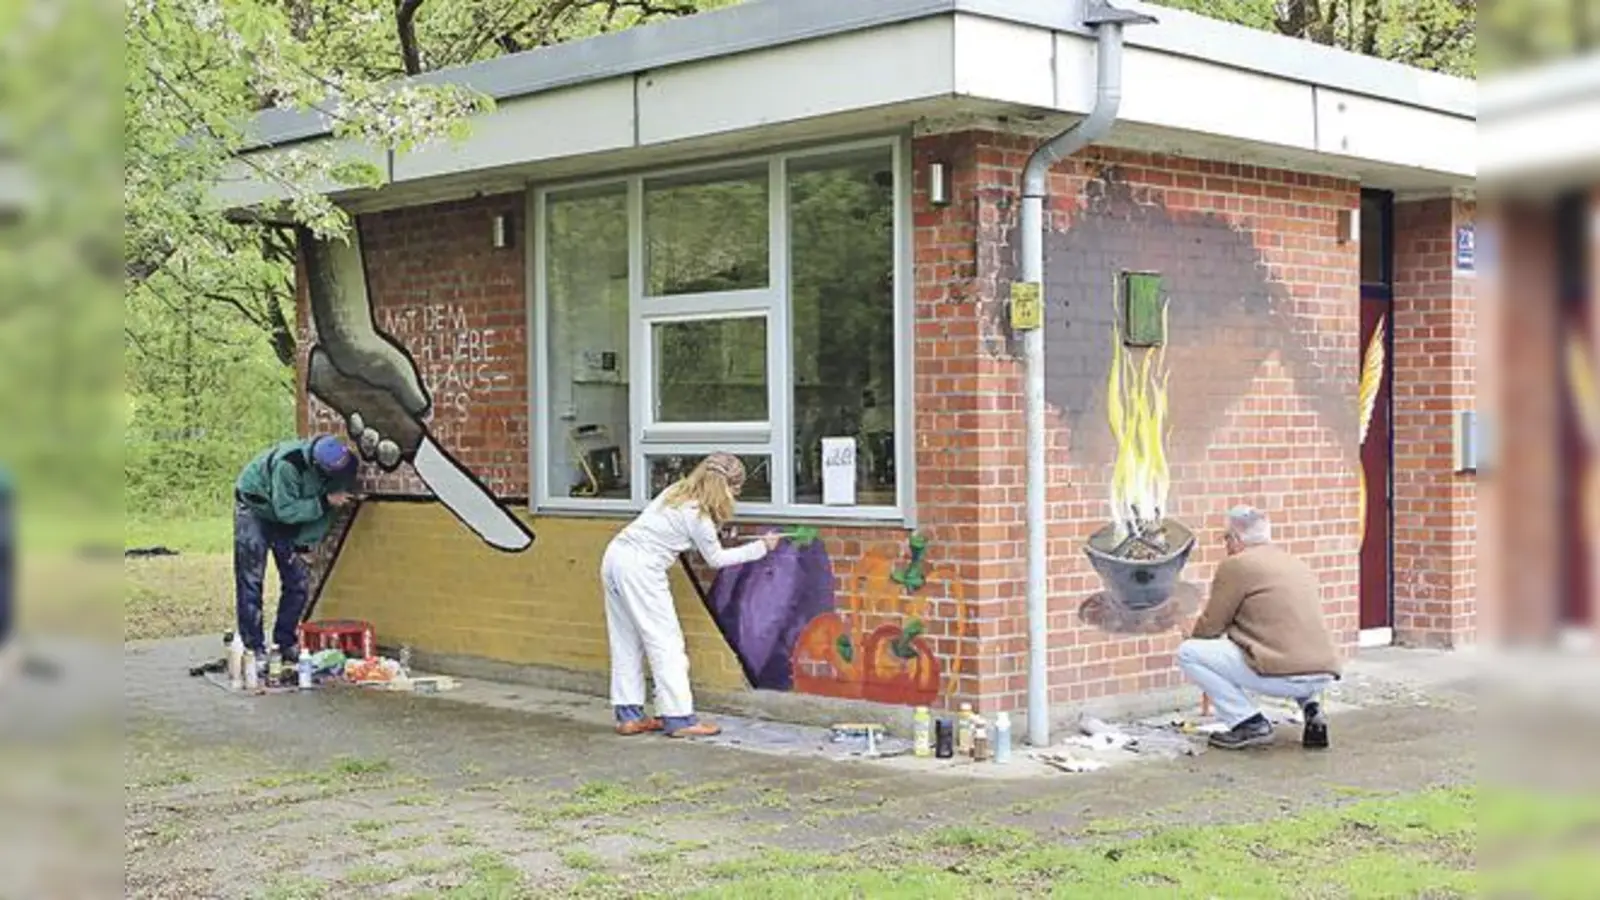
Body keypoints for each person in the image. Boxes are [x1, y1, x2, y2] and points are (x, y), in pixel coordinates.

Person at [602, 453, 780, 738]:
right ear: (726, 487)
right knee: (667, 643)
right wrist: (761, 547)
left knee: (626, 640)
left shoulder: (675, 492)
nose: (737, 495)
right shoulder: (699, 516)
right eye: (736, 489)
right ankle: (679, 718)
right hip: (642, 568)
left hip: (615, 557)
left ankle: (629, 715)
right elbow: (716, 558)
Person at [1177, 505, 1341, 750]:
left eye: (1225, 538)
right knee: (1291, 645)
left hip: (1281, 674)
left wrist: (1188, 629)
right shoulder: (1296, 564)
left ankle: (1248, 723)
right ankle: (1312, 708)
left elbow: (1210, 628)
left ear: (1236, 538)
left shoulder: (1236, 565)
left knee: (1189, 652)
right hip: (1322, 674)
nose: (1225, 544)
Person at [233, 435, 358, 663]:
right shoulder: (289, 465)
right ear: (319, 467)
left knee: (298, 581)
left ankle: (285, 641)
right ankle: (253, 649)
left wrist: (304, 545)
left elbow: (324, 514)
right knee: (251, 579)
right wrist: (324, 501)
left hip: (287, 511)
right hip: (256, 507)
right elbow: (286, 511)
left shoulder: (342, 466)